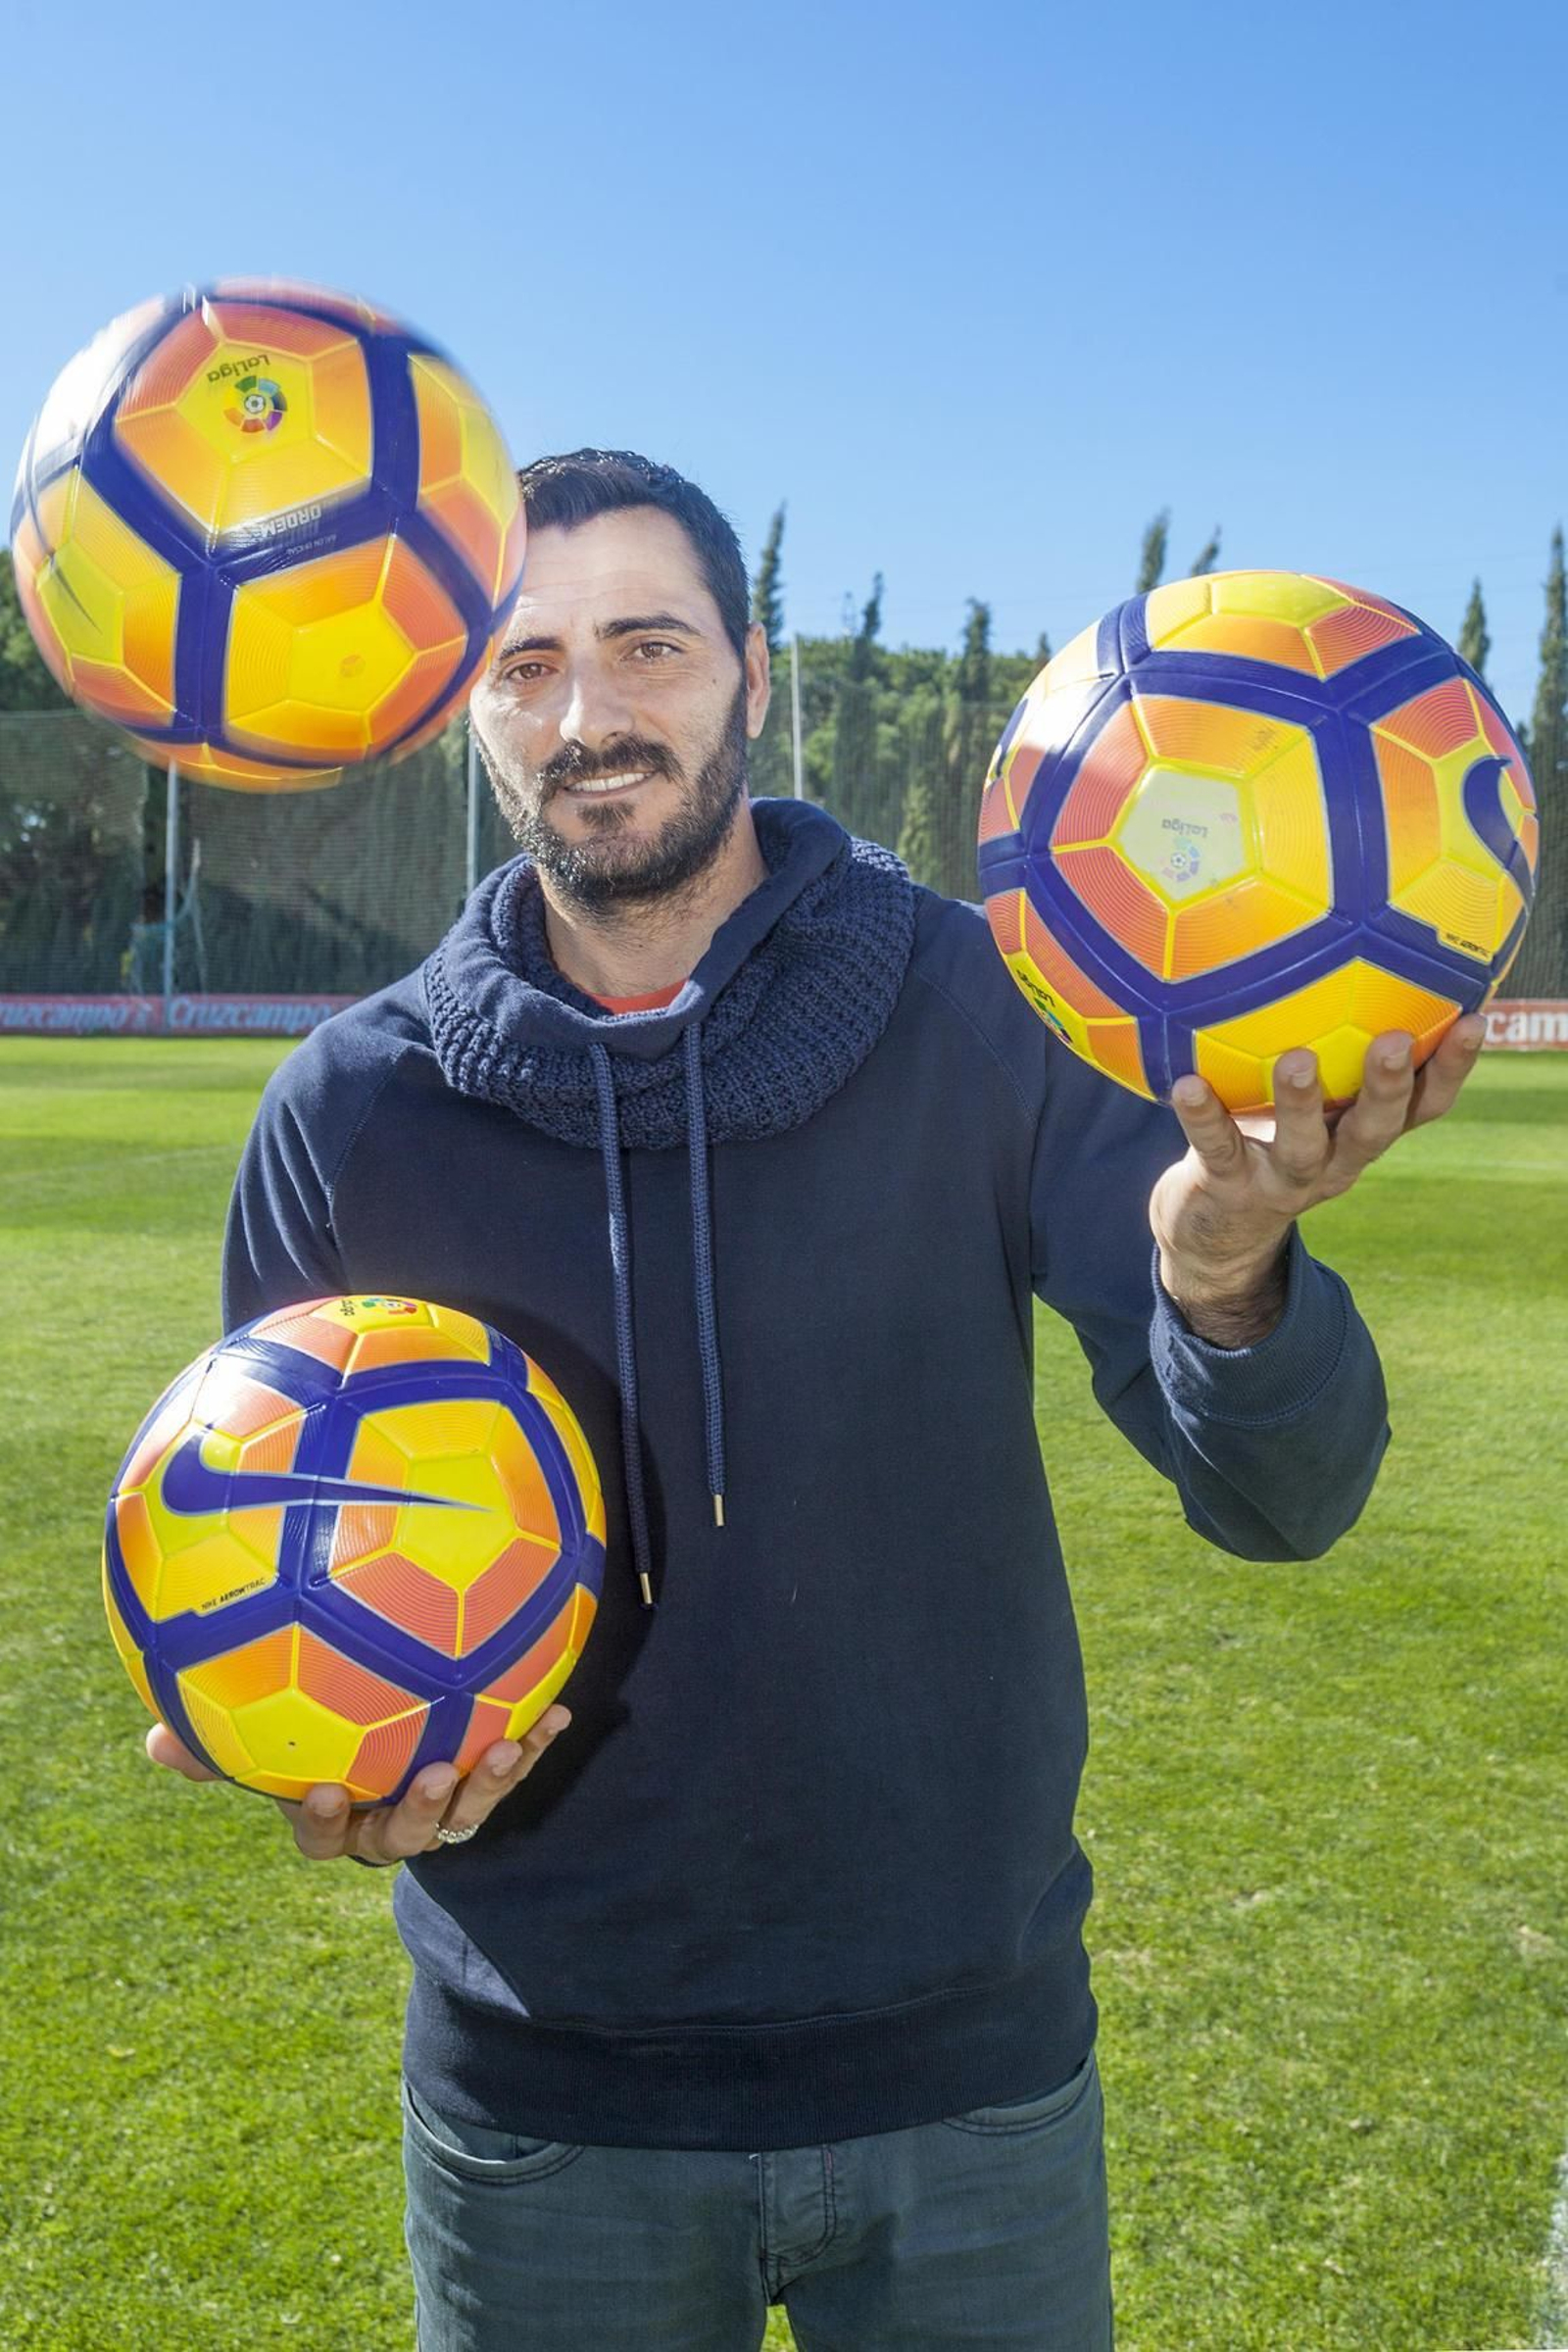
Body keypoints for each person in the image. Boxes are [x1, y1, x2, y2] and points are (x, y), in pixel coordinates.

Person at [150, 450, 1486, 2351]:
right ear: (467, 704)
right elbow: (282, 1567)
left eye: (646, 645)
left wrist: (1222, 1271)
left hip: (972, 2092)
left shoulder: (989, 1005)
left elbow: (1277, 1493)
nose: (588, 715)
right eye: (524, 665)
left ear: (751, 676)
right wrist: (319, 1766)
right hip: (547, 2125)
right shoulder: (352, 1116)